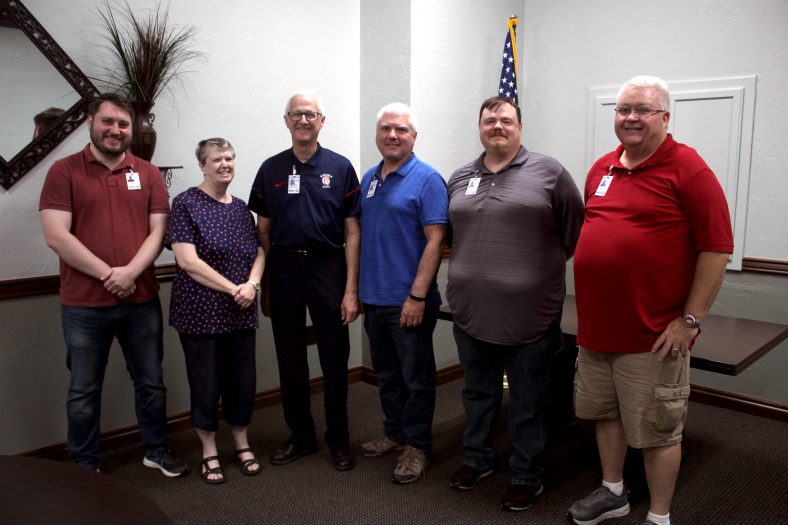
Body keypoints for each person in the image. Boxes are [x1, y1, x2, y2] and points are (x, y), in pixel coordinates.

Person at [568, 76, 733, 525]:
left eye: (642, 110)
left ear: (664, 117)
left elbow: (716, 248)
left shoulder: (689, 169)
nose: (631, 118)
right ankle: (613, 491)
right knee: (605, 413)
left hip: (654, 335)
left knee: (659, 430)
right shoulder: (601, 169)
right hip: (598, 330)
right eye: (623, 110)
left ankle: (659, 516)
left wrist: (690, 320)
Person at [446, 96, 584, 510]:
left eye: (506, 120)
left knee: (527, 401)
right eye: (490, 120)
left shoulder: (549, 172)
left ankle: (527, 474)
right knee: (477, 393)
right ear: (480, 127)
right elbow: (455, 235)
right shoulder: (459, 177)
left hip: (531, 316)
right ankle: (478, 459)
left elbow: (574, 232)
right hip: (470, 312)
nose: (497, 126)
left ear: (519, 127)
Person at [39, 92, 186, 476]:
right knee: (84, 391)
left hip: (141, 300)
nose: (116, 130)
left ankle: (155, 449)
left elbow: (158, 233)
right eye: (108, 122)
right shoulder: (64, 171)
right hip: (84, 305)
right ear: (90, 122)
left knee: (151, 382)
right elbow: (57, 235)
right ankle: (84, 464)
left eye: (123, 124)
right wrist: (110, 274)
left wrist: (130, 273)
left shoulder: (148, 172)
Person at [248, 90, 361, 471]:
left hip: (328, 268)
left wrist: (350, 290)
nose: (303, 120)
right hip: (284, 270)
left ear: (322, 121)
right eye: (296, 114)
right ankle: (302, 436)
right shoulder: (270, 169)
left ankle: (339, 440)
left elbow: (353, 231)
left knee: (334, 359)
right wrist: (266, 284)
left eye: (311, 114)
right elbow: (262, 230)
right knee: (290, 360)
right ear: (286, 121)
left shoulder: (341, 167)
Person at [165, 138, 265, 484]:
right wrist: (232, 288)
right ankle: (209, 450)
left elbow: (259, 252)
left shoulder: (240, 208)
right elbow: (187, 261)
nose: (225, 164)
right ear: (202, 166)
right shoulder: (185, 204)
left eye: (230, 158)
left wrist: (251, 285)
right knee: (205, 382)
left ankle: (241, 442)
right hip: (200, 311)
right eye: (217, 159)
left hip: (241, 309)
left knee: (242, 381)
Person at [358, 103, 448, 484]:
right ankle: (394, 433)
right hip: (374, 298)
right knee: (388, 375)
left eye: (401, 130)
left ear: (414, 137)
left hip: (408, 301)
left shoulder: (427, 179)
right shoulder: (369, 178)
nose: (392, 135)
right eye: (385, 129)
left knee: (416, 378)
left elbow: (436, 240)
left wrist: (416, 296)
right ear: (377, 134)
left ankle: (417, 445)